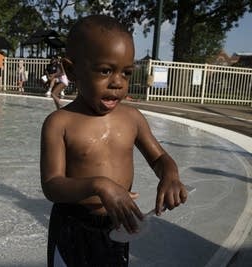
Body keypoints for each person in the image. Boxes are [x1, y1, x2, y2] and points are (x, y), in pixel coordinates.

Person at [40, 15, 188, 267]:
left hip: (117, 224)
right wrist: (99, 185)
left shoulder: (132, 118)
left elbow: (159, 158)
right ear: (73, 70)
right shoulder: (59, 123)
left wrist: (170, 175)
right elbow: (52, 186)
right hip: (72, 226)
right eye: (105, 70)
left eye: (126, 73)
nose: (118, 82)